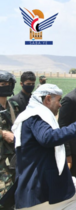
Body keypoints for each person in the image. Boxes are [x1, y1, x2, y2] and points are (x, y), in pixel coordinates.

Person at [7, 84, 76, 210]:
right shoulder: (36, 117)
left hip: (38, 182)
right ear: (47, 99)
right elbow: (49, 138)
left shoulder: (35, 116)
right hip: (37, 186)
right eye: (58, 100)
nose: (60, 105)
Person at [0, 71, 19, 209]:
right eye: (2, 84)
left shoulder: (13, 106)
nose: (6, 86)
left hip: (10, 159)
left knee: (10, 197)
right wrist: (2, 133)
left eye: (8, 84)